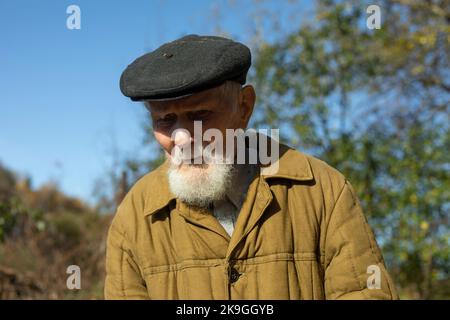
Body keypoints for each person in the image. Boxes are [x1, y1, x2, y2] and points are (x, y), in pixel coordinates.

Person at [104, 34, 398, 299]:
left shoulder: (322, 190)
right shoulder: (135, 215)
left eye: (201, 114)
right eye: (164, 120)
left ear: (244, 107)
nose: (181, 138)